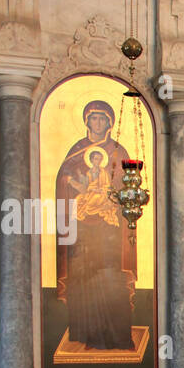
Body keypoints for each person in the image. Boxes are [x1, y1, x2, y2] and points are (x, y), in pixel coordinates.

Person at [55, 100, 137, 352]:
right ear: (87, 121)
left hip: (109, 230)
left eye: (102, 119)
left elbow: (128, 190)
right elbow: (63, 181)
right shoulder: (76, 151)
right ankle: (85, 331)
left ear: (110, 123)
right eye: (94, 119)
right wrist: (70, 182)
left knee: (109, 275)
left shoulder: (118, 151)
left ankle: (113, 334)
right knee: (83, 275)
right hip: (82, 228)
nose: (98, 123)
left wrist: (110, 196)